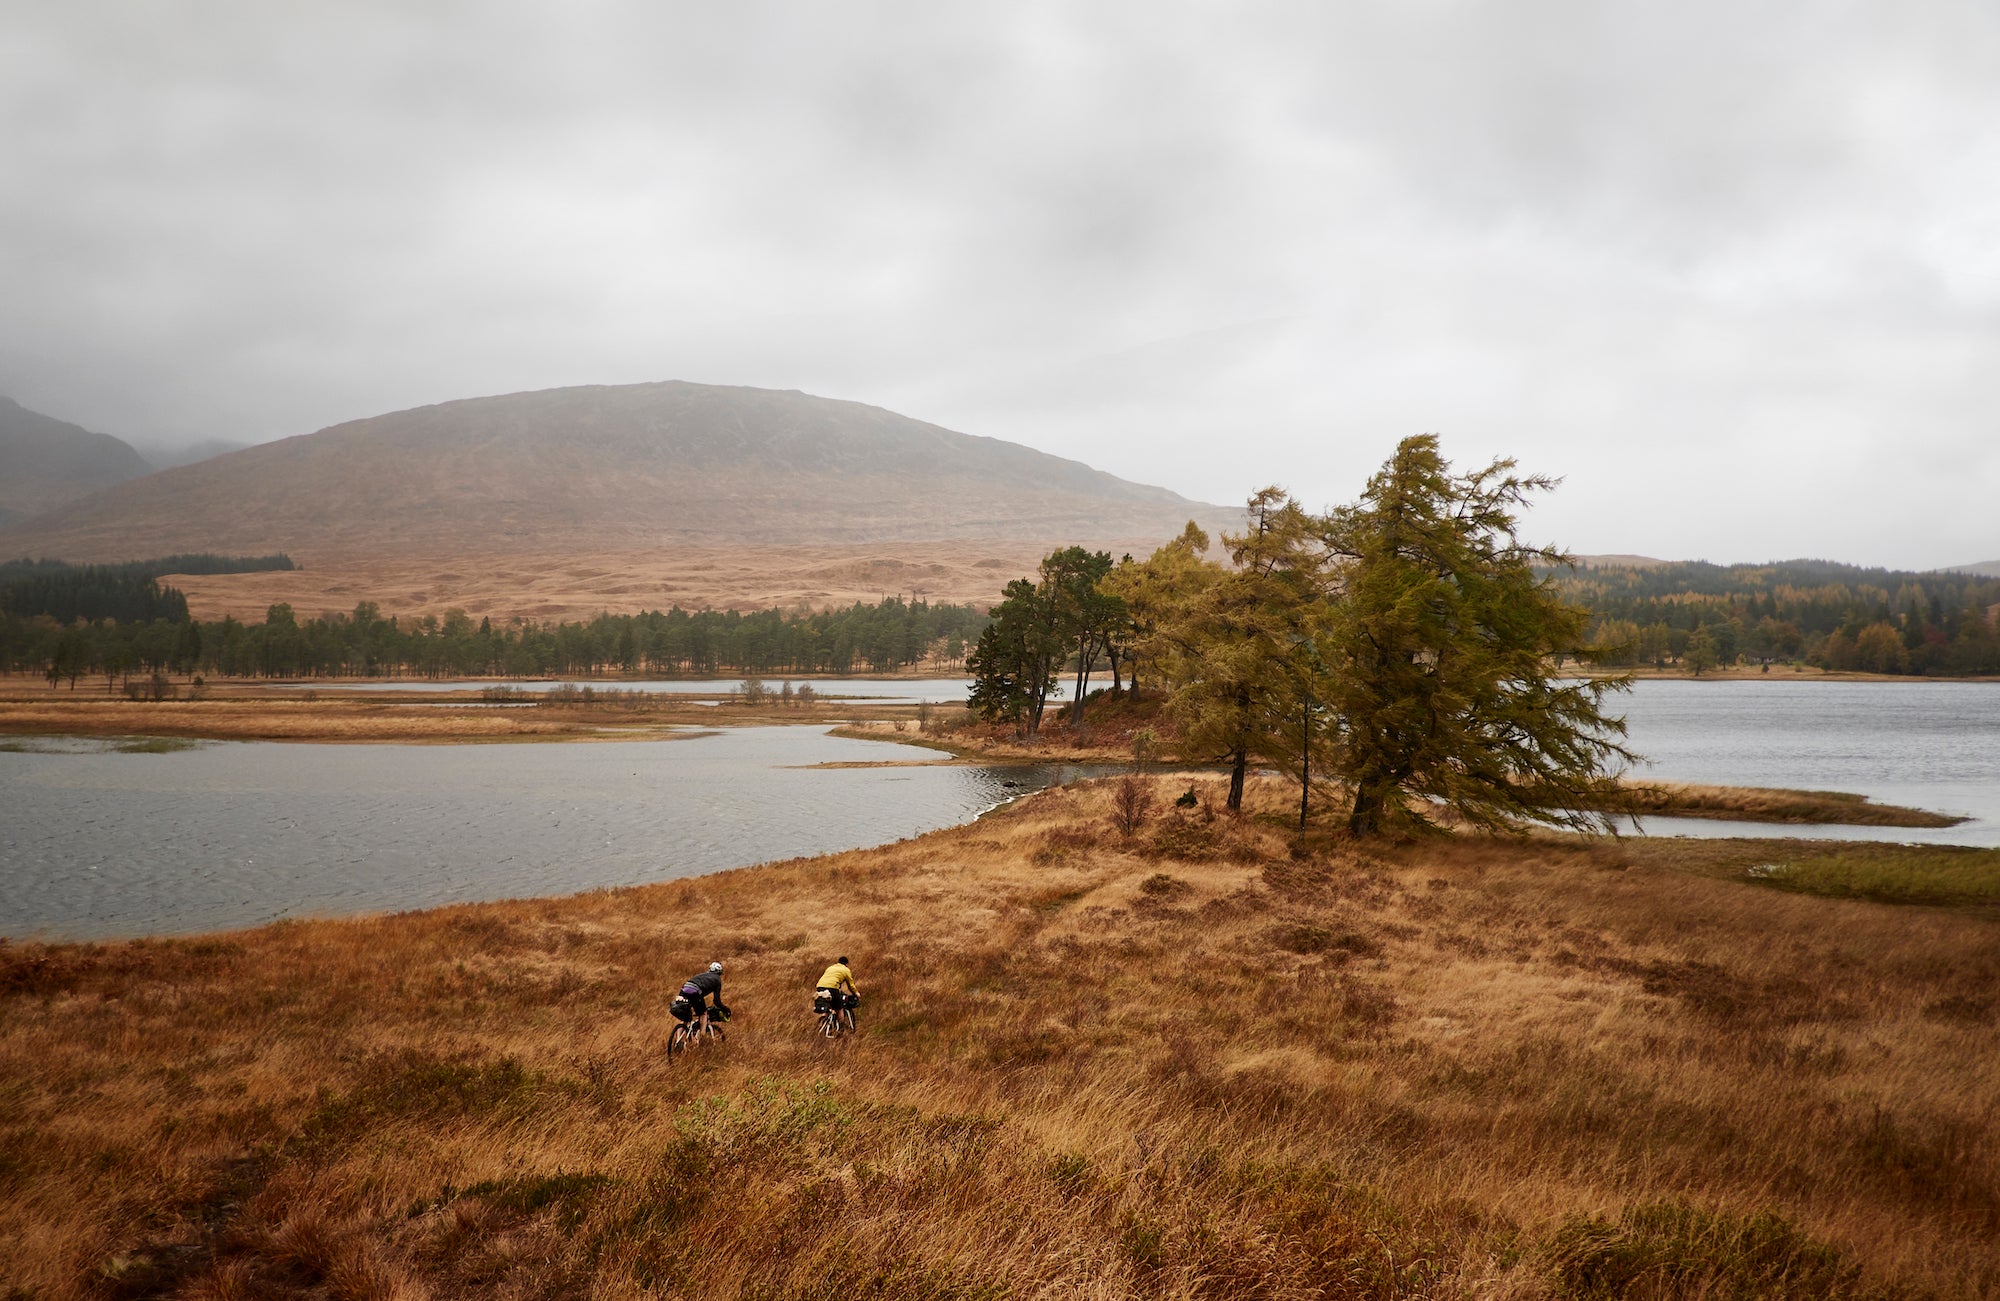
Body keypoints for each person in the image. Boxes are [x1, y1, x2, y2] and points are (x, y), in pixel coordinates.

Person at [680, 961, 729, 1030]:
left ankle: (678, 1039)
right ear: (720, 972)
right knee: (703, 1014)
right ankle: (702, 1036)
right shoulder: (717, 980)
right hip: (695, 991)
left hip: (684, 989)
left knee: (685, 1018)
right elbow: (716, 1000)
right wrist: (725, 1008)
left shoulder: (702, 975)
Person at [816, 955, 859, 1030]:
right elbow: (851, 985)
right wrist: (856, 993)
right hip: (832, 988)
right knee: (839, 1008)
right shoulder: (846, 970)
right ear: (846, 964)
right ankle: (841, 1029)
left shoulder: (830, 967)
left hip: (820, 987)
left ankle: (823, 1020)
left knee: (827, 1006)